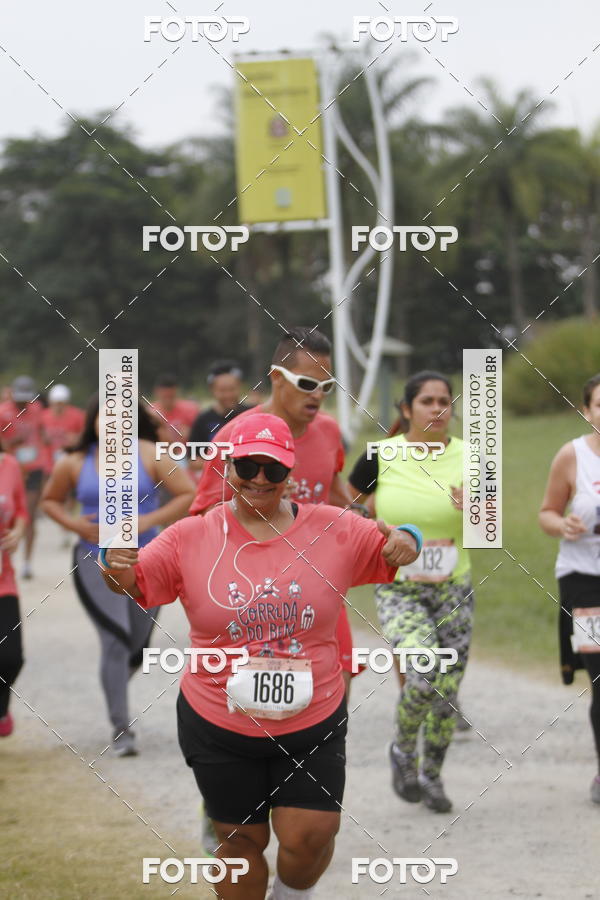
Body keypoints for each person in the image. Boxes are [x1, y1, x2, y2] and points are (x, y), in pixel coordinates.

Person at [99, 412, 421, 900]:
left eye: (273, 469)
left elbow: (399, 540)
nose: (259, 479)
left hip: (313, 717)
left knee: (310, 837)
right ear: (227, 467)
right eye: (247, 466)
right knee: (240, 842)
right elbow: (133, 578)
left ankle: (293, 895)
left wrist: (408, 540)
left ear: (291, 474)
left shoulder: (332, 528)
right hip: (218, 720)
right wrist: (113, 565)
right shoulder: (192, 536)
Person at [41, 396, 195, 755]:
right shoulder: (75, 462)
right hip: (94, 559)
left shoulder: (151, 455)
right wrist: (74, 523)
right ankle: (121, 729)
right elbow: (49, 500)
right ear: (93, 422)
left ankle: (115, 688)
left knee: (136, 648)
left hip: (148, 559)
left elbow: (187, 494)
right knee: (115, 638)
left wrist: (147, 521)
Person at [348, 370, 472, 813]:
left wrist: (474, 508)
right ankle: (402, 750)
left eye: (445, 400)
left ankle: (432, 777)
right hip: (399, 588)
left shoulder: (471, 456)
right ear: (406, 410)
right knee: (422, 676)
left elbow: (489, 530)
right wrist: (374, 528)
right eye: (427, 401)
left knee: (446, 693)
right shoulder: (380, 454)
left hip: (454, 589)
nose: (437, 408)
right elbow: (350, 502)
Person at [539, 373, 600, 804]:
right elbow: (546, 513)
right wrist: (564, 524)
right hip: (584, 583)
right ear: (587, 410)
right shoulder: (572, 456)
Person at [0, 376, 49, 579]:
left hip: (34, 467)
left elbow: (42, 433)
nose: (23, 403)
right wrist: (12, 442)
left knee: (27, 515)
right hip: (10, 469)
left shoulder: (37, 408)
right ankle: (6, 558)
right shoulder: (3, 412)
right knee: (8, 515)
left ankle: (27, 562)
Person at [0, 450, 29, 736]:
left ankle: (1, 708)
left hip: (3, 580)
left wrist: (18, 531)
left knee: (11, 657)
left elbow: (20, 509)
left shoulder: (9, 464)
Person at [188, 360, 252, 477]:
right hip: (216, 485)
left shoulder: (252, 415)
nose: (228, 395)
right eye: (222, 390)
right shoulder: (203, 420)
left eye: (232, 389)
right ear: (212, 390)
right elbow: (193, 460)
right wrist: (223, 464)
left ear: (239, 386)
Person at [41, 384, 85, 466]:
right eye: (56, 403)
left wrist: (77, 439)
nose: (59, 406)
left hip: (70, 460)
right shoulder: (43, 416)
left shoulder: (77, 416)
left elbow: (85, 436)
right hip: (48, 463)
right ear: (51, 402)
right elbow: (38, 438)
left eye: (61, 403)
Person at [152, 373, 200, 446]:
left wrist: (192, 433)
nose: (168, 400)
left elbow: (201, 434)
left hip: (186, 453)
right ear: (157, 392)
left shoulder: (190, 409)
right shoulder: (150, 413)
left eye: (171, 396)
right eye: (165, 396)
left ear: (176, 391)